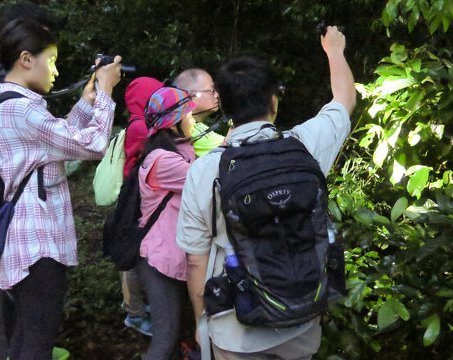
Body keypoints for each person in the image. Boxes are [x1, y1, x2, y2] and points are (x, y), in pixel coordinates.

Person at [176, 26, 356, 359]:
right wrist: (334, 50)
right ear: (273, 100)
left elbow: (195, 261)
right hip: (301, 321)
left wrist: (203, 323)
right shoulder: (304, 146)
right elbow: (344, 100)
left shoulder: (204, 171)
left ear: (225, 106)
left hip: (236, 330)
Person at [0, 18, 121, 359]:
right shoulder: (19, 108)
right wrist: (107, 91)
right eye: (50, 60)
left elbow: (58, 139)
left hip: (28, 238)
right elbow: (94, 145)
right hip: (38, 244)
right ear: (26, 59)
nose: (54, 70)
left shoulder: (12, 104)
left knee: (28, 335)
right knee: (37, 341)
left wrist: (86, 102)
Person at [136, 87, 197, 359]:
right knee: (166, 336)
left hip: (175, 258)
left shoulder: (176, 150)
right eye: (189, 114)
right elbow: (205, 179)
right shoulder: (162, 161)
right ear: (174, 122)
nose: (194, 119)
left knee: (178, 337)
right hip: (160, 260)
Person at [120, 76, 164, 336]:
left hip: (138, 195)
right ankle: (134, 313)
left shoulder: (139, 122)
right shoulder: (140, 127)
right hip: (136, 198)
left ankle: (135, 306)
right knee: (133, 257)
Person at [173, 69, 225, 157]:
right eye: (212, 90)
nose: (217, 95)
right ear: (192, 95)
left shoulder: (184, 124)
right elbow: (232, 151)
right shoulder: (190, 130)